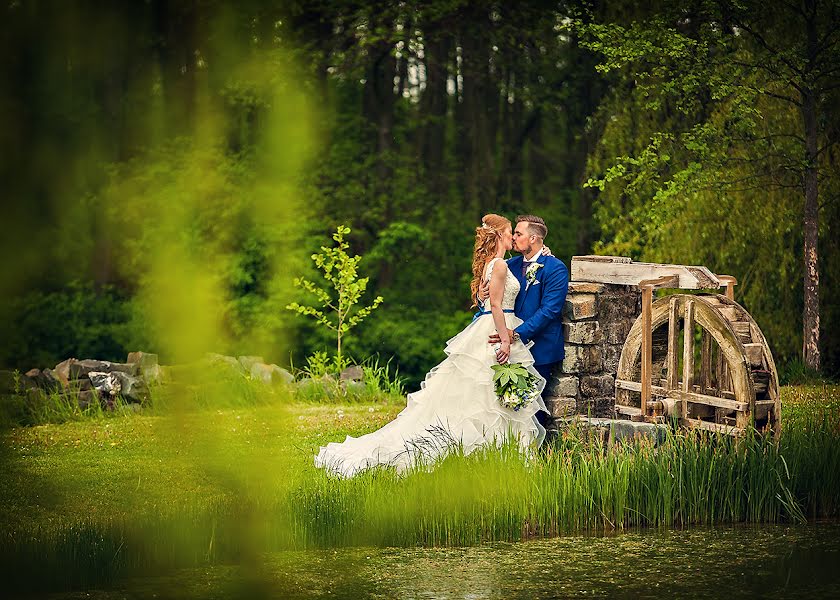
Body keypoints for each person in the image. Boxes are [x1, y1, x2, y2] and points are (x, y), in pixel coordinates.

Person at [314, 214, 547, 478]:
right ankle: (488, 451)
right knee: (485, 391)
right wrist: (505, 338)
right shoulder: (500, 266)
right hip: (497, 327)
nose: (513, 237)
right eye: (509, 233)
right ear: (499, 236)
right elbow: (494, 304)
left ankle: (492, 452)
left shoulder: (493, 265)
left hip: (492, 326)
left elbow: (495, 291)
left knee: (488, 392)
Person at [478, 215, 568, 427]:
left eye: (519, 234)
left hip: (539, 347)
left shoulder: (555, 268)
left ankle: (532, 454)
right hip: (507, 345)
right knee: (502, 404)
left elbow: (550, 310)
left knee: (531, 409)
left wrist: (517, 333)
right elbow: (495, 297)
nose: (514, 237)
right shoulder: (508, 264)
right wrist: (480, 295)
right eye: (514, 233)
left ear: (534, 239)